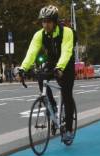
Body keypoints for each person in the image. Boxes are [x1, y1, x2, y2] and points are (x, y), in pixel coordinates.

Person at [16, 5, 76, 143]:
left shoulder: (66, 32)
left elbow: (67, 51)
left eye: (48, 21)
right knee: (41, 77)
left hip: (66, 64)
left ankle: (68, 129)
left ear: (55, 21)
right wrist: (22, 69)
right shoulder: (39, 34)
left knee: (67, 95)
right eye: (43, 21)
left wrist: (60, 67)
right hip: (52, 62)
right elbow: (31, 52)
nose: (45, 24)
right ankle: (52, 105)